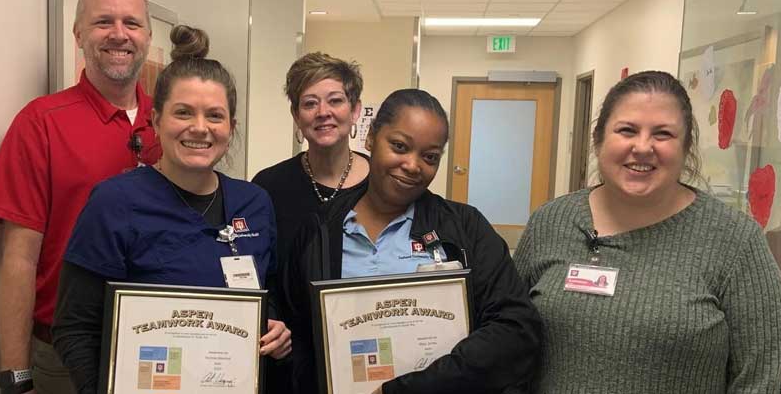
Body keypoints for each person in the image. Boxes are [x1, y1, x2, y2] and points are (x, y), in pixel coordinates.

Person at [513, 71, 781, 393]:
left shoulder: (735, 241)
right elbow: (509, 339)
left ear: (686, 147)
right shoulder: (551, 222)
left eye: (663, 134)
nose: (643, 147)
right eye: (627, 130)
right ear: (598, 140)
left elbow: (762, 377)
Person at [51, 25, 291, 393]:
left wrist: (274, 326)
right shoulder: (115, 202)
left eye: (214, 115)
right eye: (183, 113)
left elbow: (267, 293)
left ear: (232, 126)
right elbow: (75, 327)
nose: (200, 128)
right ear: (156, 120)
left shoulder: (254, 203)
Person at [281, 89, 542, 394]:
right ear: (370, 139)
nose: (413, 165)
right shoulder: (319, 232)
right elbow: (297, 332)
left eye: (429, 157)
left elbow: (515, 329)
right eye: (400, 146)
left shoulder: (465, 229)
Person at [0, 0, 161, 394]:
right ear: (78, 33)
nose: (119, 34)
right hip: (63, 355)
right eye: (104, 22)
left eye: (131, 23)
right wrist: (15, 376)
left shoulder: (174, 124)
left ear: (148, 36)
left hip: (163, 342)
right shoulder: (40, 123)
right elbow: (18, 259)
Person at [251, 52, 369, 394]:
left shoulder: (383, 185)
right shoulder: (268, 187)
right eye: (309, 103)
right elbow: (261, 271)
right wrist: (268, 319)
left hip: (364, 353)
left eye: (335, 100)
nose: (323, 113)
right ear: (295, 115)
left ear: (355, 109)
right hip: (287, 363)